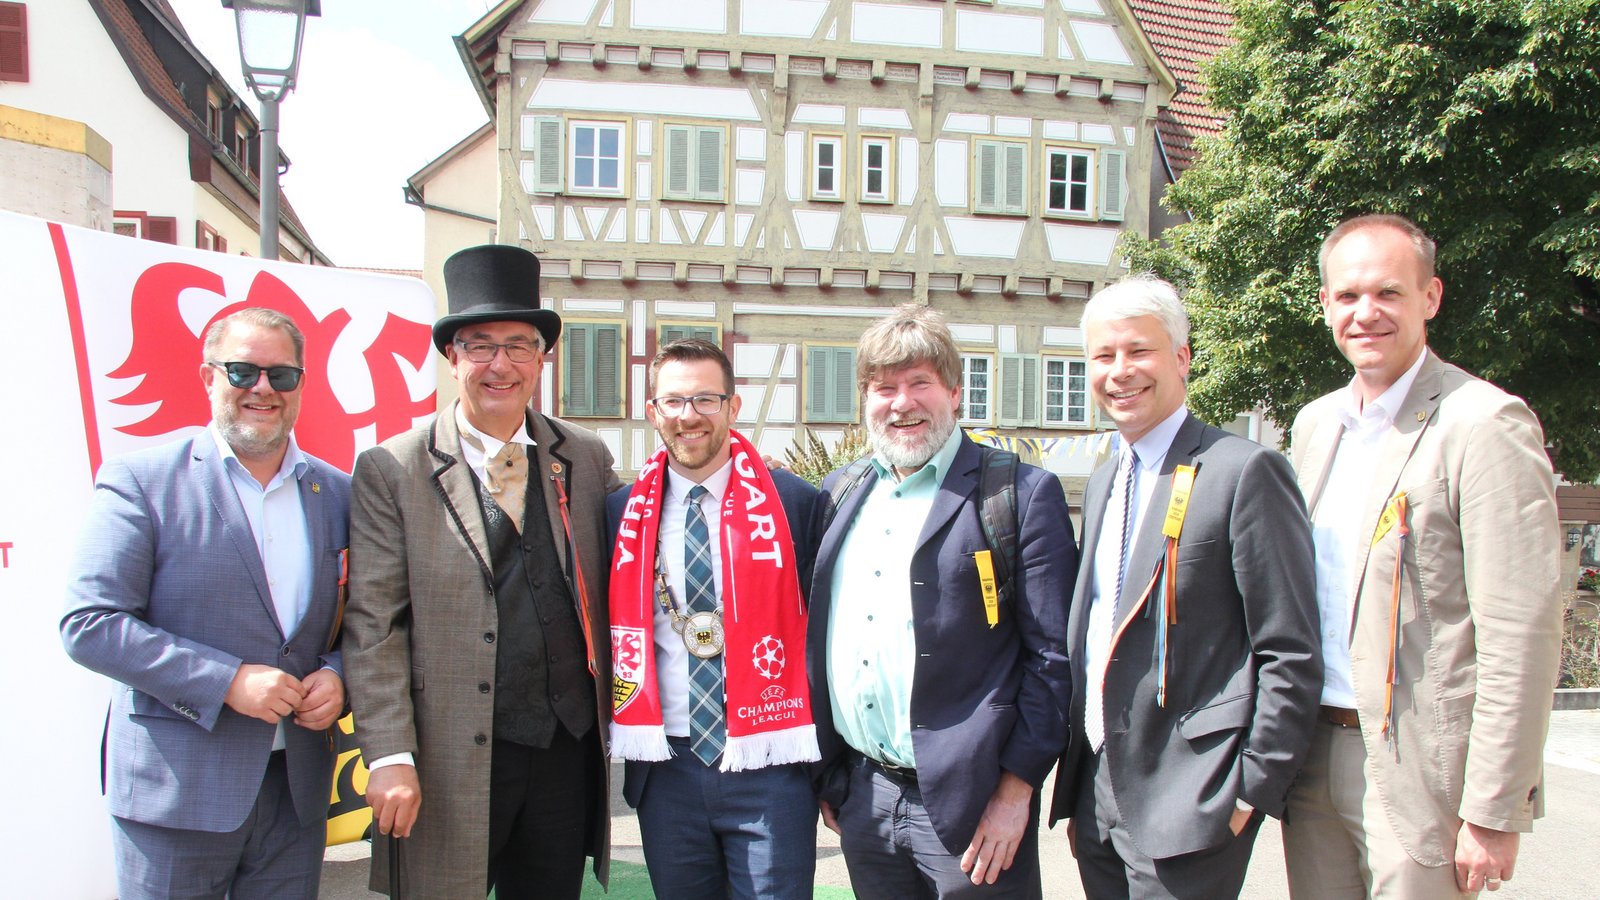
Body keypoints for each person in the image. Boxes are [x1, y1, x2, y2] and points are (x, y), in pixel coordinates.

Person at [1284, 214, 1562, 898]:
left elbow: (1521, 631)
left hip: (1420, 769)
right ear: (1324, 305)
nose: (1365, 313)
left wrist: (1495, 809)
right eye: (1347, 296)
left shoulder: (1484, 423)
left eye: (1388, 293)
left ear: (1430, 298)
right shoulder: (1318, 426)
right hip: (1313, 754)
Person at [342, 245, 623, 898]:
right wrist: (388, 754)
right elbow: (374, 624)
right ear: (453, 356)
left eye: (519, 346)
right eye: (481, 346)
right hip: (448, 755)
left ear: (541, 357)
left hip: (564, 748)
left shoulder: (582, 455)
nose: (501, 364)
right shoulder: (394, 467)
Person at [61, 307, 351, 899]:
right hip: (176, 790)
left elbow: (366, 619)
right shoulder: (141, 479)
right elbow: (90, 623)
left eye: (282, 375)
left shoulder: (338, 492)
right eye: (243, 372)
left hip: (294, 791)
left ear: (301, 384)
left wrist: (341, 676)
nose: (263, 389)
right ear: (207, 377)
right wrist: (226, 681)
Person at [1049, 275, 1322, 899]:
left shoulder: (1243, 470)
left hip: (1192, 793)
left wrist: (1252, 787)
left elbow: (1290, 646)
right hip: (1097, 783)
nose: (1120, 371)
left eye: (1139, 351)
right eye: (1103, 355)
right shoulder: (1104, 478)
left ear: (1181, 357)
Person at [807, 303, 1076, 898]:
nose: (902, 402)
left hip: (974, 806)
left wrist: (1015, 791)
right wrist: (833, 778)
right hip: (864, 796)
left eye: (920, 383)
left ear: (955, 392)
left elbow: (1053, 659)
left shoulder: (1019, 493)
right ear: (866, 399)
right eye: (884, 387)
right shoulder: (840, 491)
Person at [606, 338, 822, 898]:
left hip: (768, 763)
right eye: (673, 402)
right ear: (653, 412)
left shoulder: (794, 502)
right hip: (668, 767)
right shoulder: (619, 512)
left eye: (705, 399)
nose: (689, 416)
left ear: (732, 406)